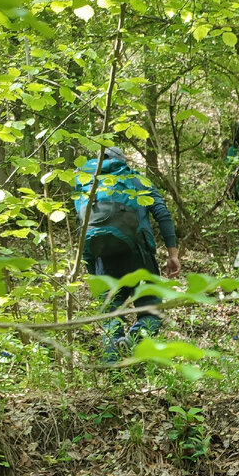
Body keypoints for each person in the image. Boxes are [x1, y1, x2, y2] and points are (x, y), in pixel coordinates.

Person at [78, 147, 181, 360]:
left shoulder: (88, 186)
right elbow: (162, 214)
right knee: (150, 310)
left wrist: (90, 268)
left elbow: (83, 229)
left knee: (110, 314)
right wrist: (173, 255)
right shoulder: (138, 181)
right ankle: (135, 342)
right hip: (138, 256)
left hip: (102, 259)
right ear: (123, 162)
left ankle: (114, 370)